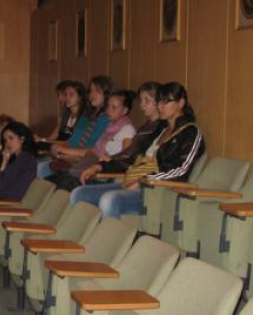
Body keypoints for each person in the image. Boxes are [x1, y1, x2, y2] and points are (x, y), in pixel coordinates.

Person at [77, 82, 205, 218]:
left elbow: (180, 170)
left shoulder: (190, 132)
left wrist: (142, 181)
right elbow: (133, 158)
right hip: (136, 181)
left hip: (158, 191)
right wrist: (100, 166)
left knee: (109, 200)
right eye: (159, 102)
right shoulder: (161, 129)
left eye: (165, 102)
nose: (160, 106)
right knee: (80, 194)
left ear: (180, 103)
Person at [77, 81, 163, 187]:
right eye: (141, 100)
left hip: (134, 177)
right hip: (120, 168)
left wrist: (111, 160)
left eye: (147, 100)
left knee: (79, 184)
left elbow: (132, 157)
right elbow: (128, 154)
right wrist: (109, 161)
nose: (142, 105)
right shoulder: (144, 127)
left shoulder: (160, 129)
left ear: (159, 101)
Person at [49, 89, 137, 191]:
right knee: (53, 181)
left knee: (63, 183)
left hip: (105, 174)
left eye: (114, 107)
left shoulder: (127, 129)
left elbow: (125, 161)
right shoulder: (109, 128)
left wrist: (108, 159)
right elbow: (93, 151)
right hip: (92, 166)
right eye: (108, 106)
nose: (109, 110)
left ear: (125, 111)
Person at [47, 76, 112, 168]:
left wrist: (62, 150)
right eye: (91, 91)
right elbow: (71, 142)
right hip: (71, 157)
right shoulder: (85, 116)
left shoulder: (106, 118)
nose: (92, 94)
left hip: (86, 162)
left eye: (97, 91)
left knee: (43, 168)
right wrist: (57, 148)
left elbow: (93, 151)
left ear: (106, 94)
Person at [0, 121, 37, 204]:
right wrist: (4, 162)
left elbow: (7, 181)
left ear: (22, 139)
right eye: (5, 140)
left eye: (11, 138)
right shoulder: (16, 158)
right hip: (2, 198)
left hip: (11, 201)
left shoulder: (26, 158)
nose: (8, 143)